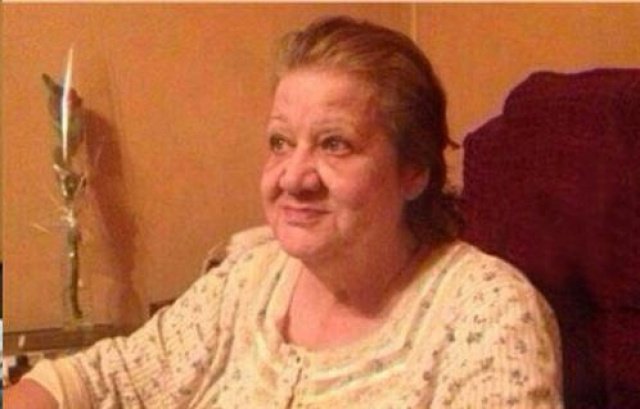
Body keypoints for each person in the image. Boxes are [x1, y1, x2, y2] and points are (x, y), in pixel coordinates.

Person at [5, 15, 563, 408]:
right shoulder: (249, 279)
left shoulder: (486, 316)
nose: (293, 178)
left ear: (414, 169)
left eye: (335, 144)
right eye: (280, 143)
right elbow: (97, 381)